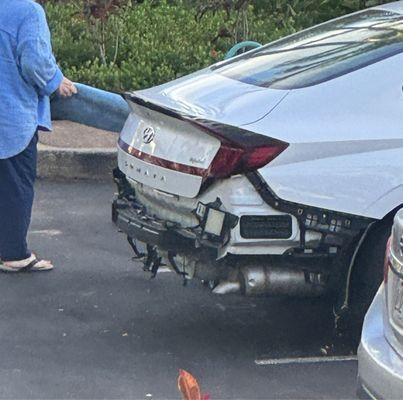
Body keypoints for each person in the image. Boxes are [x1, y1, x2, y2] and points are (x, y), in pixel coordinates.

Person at [0, 0, 77, 272]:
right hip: (10, 119)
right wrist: (55, 82)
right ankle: (14, 255)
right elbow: (34, 60)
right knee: (15, 187)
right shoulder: (28, 11)